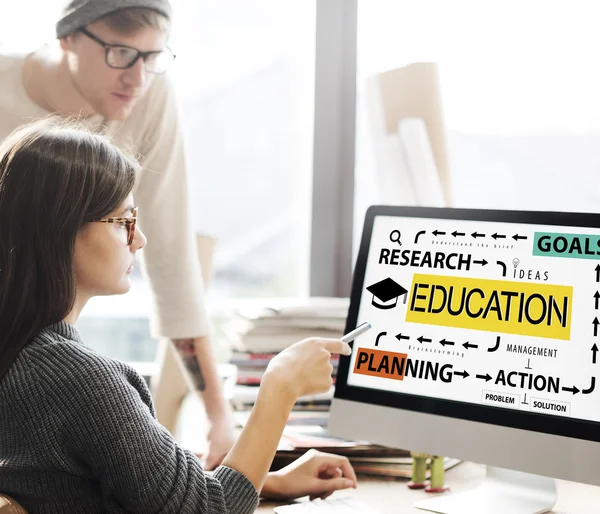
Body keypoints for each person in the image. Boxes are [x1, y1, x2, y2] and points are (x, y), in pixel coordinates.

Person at [0, 118, 357, 513]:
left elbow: (99, 489)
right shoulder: (79, 381)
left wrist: (266, 482)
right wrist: (280, 388)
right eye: (124, 222)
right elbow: (208, 510)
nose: (140, 240)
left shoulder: (23, 358)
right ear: (60, 231)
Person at [0, 0, 236, 468]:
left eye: (153, 58)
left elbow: (170, 258)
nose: (138, 78)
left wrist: (218, 417)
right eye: (121, 54)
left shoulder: (150, 95)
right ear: (67, 37)